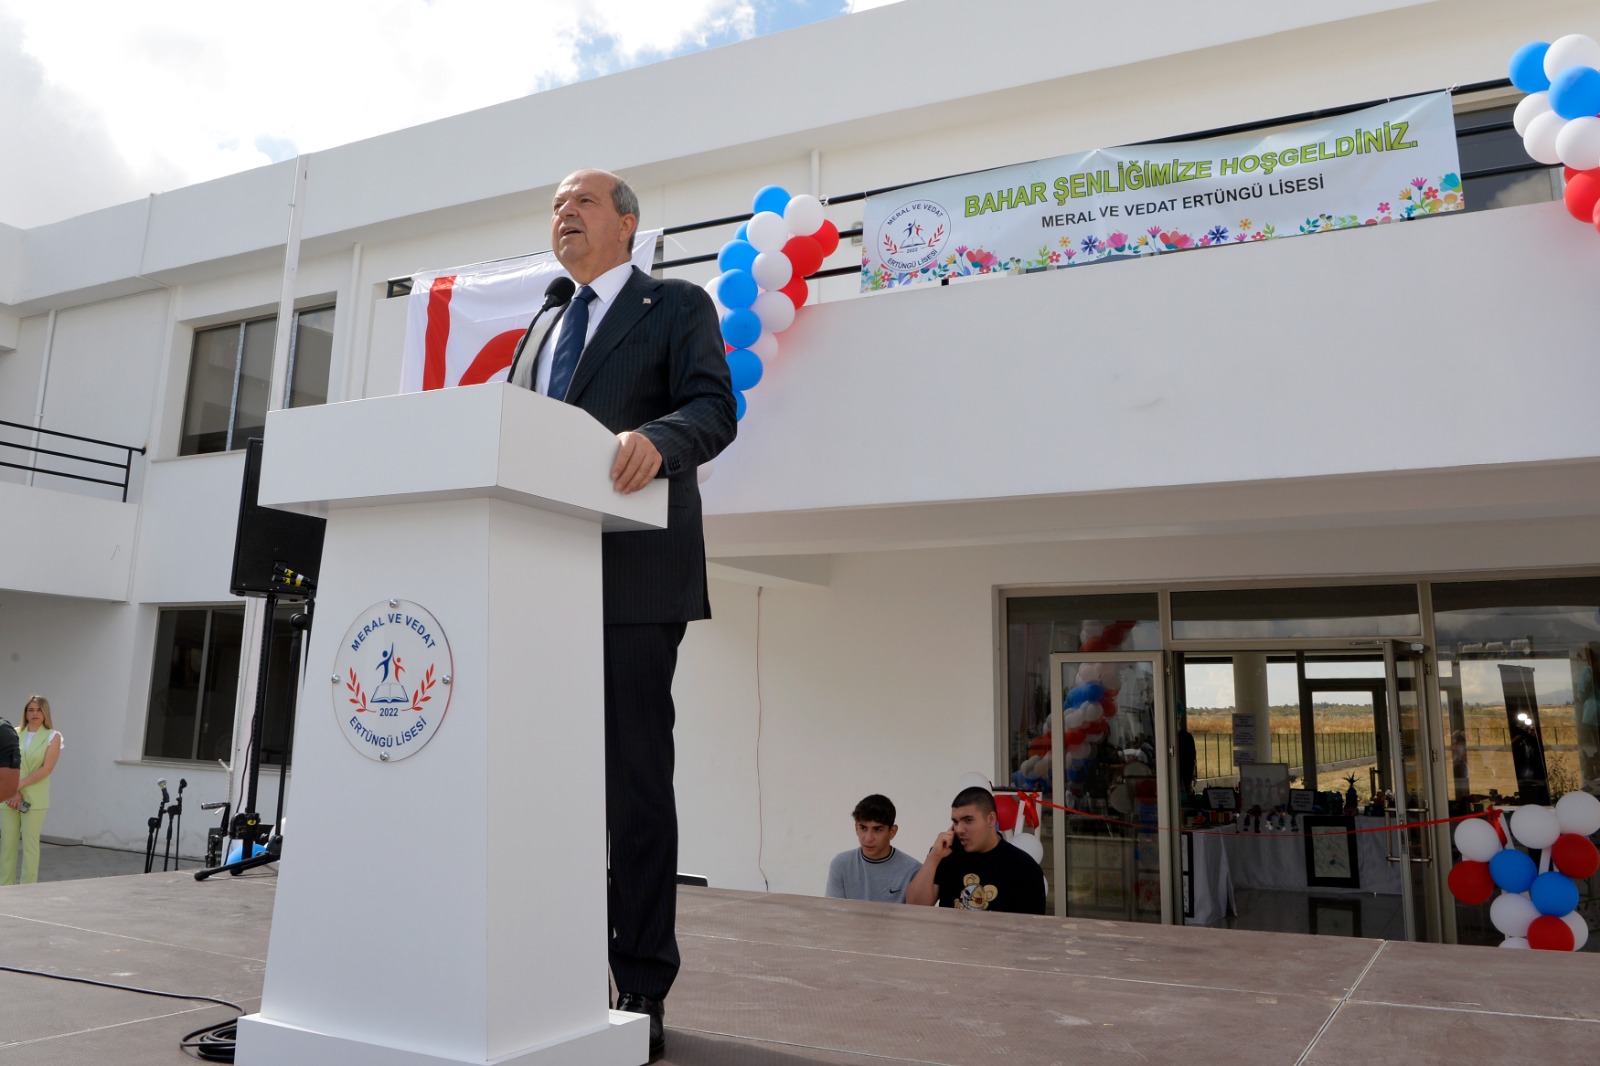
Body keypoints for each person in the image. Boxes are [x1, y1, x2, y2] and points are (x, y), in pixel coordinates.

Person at [509, 168, 736, 1060]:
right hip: (537, 578)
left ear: (628, 224)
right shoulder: (542, 324)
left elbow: (713, 408)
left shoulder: (674, 305)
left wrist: (657, 440)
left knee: (633, 785)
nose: (564, 214)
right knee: (542, 783)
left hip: (634, 579)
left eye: (583, 203)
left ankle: (641, 980)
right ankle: (546, 961)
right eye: (556, 207)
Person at [906, 786, 1047, 915]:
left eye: (968, 820)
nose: (959, 829)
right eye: (955, 822)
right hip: (949, 935)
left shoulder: (1024, 868)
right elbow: (915, 906)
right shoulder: (946, 853)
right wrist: (933, 857)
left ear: (991, 819)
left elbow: (1030, 929)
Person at [2, 696, 63, 885]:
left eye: (39, 710)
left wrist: (17, 786)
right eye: (31, 710)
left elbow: (46, 769)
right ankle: (5, 887)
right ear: (25, 713)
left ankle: (28, 889)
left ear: (45, 713)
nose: (34, 713)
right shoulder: (12, 733)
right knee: (7, 844)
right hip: (8, 796)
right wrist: (12, 791)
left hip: (35, 798)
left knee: (30, 845)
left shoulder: (53, 736)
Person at [825, 794, 922, 903]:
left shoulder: (913, 870)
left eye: (878, 829)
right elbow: (832, 910)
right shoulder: (841, 864)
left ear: (892, 831)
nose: (868, 838)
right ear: (856, 828)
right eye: (863, 828)